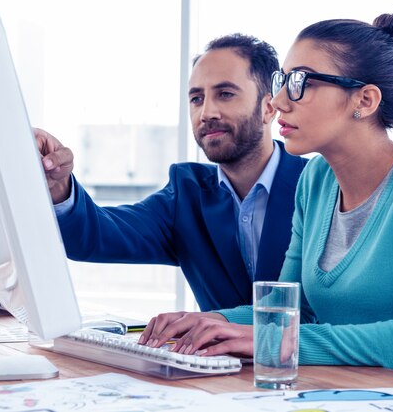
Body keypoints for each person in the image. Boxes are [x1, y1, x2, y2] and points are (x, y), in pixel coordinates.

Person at [138, 9, 393, 389]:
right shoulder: (316, 180)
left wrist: (282, 342)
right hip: (340, 392)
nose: (281, 101)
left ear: (365, 100)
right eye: (282, 81)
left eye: (301, 82)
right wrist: (213, 322)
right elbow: (292, 313)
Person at [35, 34, 309, 312]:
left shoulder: (318, 187)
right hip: (211, 357)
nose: (206, 112)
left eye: (225, 94)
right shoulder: (186, 194)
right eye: (196, 98)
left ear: (268, 107)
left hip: (313, 356)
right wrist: (59, 187)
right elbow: (93, 237)